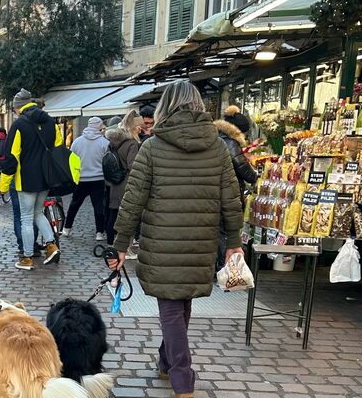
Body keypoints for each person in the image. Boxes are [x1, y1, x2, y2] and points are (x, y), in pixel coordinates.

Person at [108, 81, 244, 398]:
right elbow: (231, 198)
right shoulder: (217, 147)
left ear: (165, 107)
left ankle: (182, 381)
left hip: (162, 241)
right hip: (201, 240)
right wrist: (234, 240)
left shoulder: (152, 148)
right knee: (181, 305)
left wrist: (121, 243)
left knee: (172, 309)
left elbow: (133, 200)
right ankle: (167, 360)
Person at [0, 88, 61, 271]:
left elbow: (11, 157)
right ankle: (51, 245)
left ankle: (27, 258)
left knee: (26, 218)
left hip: (26, 179)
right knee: (38, 213)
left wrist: (3, 185)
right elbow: (58, 149)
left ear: (19, 107)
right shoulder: (51, 122)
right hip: (46, 177)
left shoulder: (19, 125)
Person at [215, 118, 257, 271]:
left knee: (218, 232)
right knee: (224, 233)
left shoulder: (213, 140)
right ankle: (224, 268)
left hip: (213, 196)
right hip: (227, 193)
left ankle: (219, 267)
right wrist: (255, 176)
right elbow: (243, 168)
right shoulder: (230, 143)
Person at [62, 116, 108, 241]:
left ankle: (67, 228)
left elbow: (71, 160)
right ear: (99, 127)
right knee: (99, 207)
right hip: (98, 179)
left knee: (74, 205)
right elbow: (107, 162)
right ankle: (99, 232)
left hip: (80, 179)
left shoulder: (77, 142)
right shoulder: (104, 142)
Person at [104, 112, 141, 253]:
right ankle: (125, 250)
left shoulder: (113, 141)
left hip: (114, 182)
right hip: (127, 183)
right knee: (127, 217)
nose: (140, 128)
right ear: (132, 127)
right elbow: (133, 166)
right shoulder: (132, 144)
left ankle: (110, 244)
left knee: (113, 213)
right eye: (138, 126)